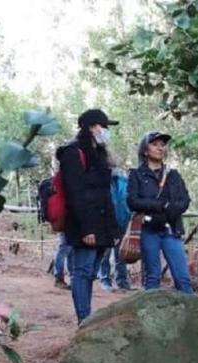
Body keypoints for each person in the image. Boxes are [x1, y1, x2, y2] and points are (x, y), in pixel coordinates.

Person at [58, 108, 121, 324]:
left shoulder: (99, 154)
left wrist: (113, 229)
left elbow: (105, 194)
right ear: (92, 127)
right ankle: (84, 320)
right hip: (85, 226)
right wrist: (87, 229)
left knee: (90, 273)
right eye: (104, 126)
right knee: (82, 272)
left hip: (102, 224)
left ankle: (87, 316)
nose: (106, 131)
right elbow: (75, 194)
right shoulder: (72, 152)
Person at [126, 131, 193, 293]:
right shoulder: (136, 174)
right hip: (149, 230)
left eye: (162, 145)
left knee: (182, 278)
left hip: (171, 229)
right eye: (154, 144)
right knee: (153, 277)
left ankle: (189, 316)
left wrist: (168, 213)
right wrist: (160, 206)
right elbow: (133, 201)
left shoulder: (173, 174)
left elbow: (184, 200)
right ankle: (151, 316)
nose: (160, 148)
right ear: (145, 150)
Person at [98, 168, 132, 291]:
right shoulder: (100, 182)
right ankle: (105, 279)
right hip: (105, 223)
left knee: (121, 253)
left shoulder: (124, 181)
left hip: (123, 220)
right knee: (105, 253)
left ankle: (122, 281)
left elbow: (128, 199)